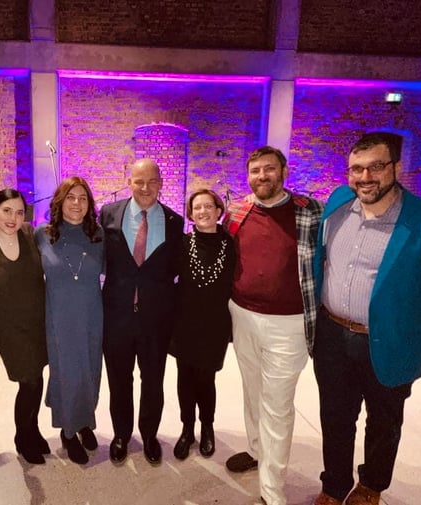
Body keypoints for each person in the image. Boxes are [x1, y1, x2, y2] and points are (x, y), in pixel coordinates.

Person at [312, 133, 421, 505]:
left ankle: (371, 485)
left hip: (388, 339)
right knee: (335, 417)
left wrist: (412, 324)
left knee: (384, 420)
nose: (365, 177)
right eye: (356, 168)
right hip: (333, 334)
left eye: (376, 166)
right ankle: (334, 485)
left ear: (395, 168)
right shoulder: (339, 203)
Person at [222, 146, 324, 505]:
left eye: (268, 169)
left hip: (290, 324)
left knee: (277, 404)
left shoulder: (309, 210)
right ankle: (255, 449)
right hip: (243, 315)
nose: (261, 176)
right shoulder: (237, 210)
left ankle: (273, 491)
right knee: (252, 391)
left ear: (283, 171)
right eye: (254, 171)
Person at [100, 158, 184, 466]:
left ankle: (149, 434)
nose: (145, 188)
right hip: (116, 317)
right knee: (118, 380)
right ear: (129, 181)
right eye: (139, 181)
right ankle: (121, 434)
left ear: (161, 183)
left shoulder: (175, 222)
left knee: (153, 380)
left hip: (155, 320)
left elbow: (176, 270)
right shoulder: (108, 214)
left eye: (151, 181)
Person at [0, 189, 50, 465]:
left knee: (37, 376)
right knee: (28, 381)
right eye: (7, 210)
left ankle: (34, 428)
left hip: (39, 321)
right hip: (8, 326)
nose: (13, 218)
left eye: (19, 212)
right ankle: (23, 435)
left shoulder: (32, 235)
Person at [35, 176, 104, 465]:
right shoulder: (41, 234)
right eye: (70, 197)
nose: (76, 203)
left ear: (89, 204)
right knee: (66, 372)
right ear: (59, 202)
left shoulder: (99, 235)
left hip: (91, 314)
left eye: (83, 198)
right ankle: (67, 429)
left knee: (90, 371)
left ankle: (85, 420)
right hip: (59, 316)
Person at [171, 189, 236, 461]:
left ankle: (207, 426)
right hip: (184, 323)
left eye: (208, 206)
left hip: (215, 324)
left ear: (219, 210)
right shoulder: (183, 243)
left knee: (206, 378)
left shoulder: (231, 244)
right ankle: (187, 429)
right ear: (191, 213)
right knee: (185, 378)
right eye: (197, 207)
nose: (203, 211)